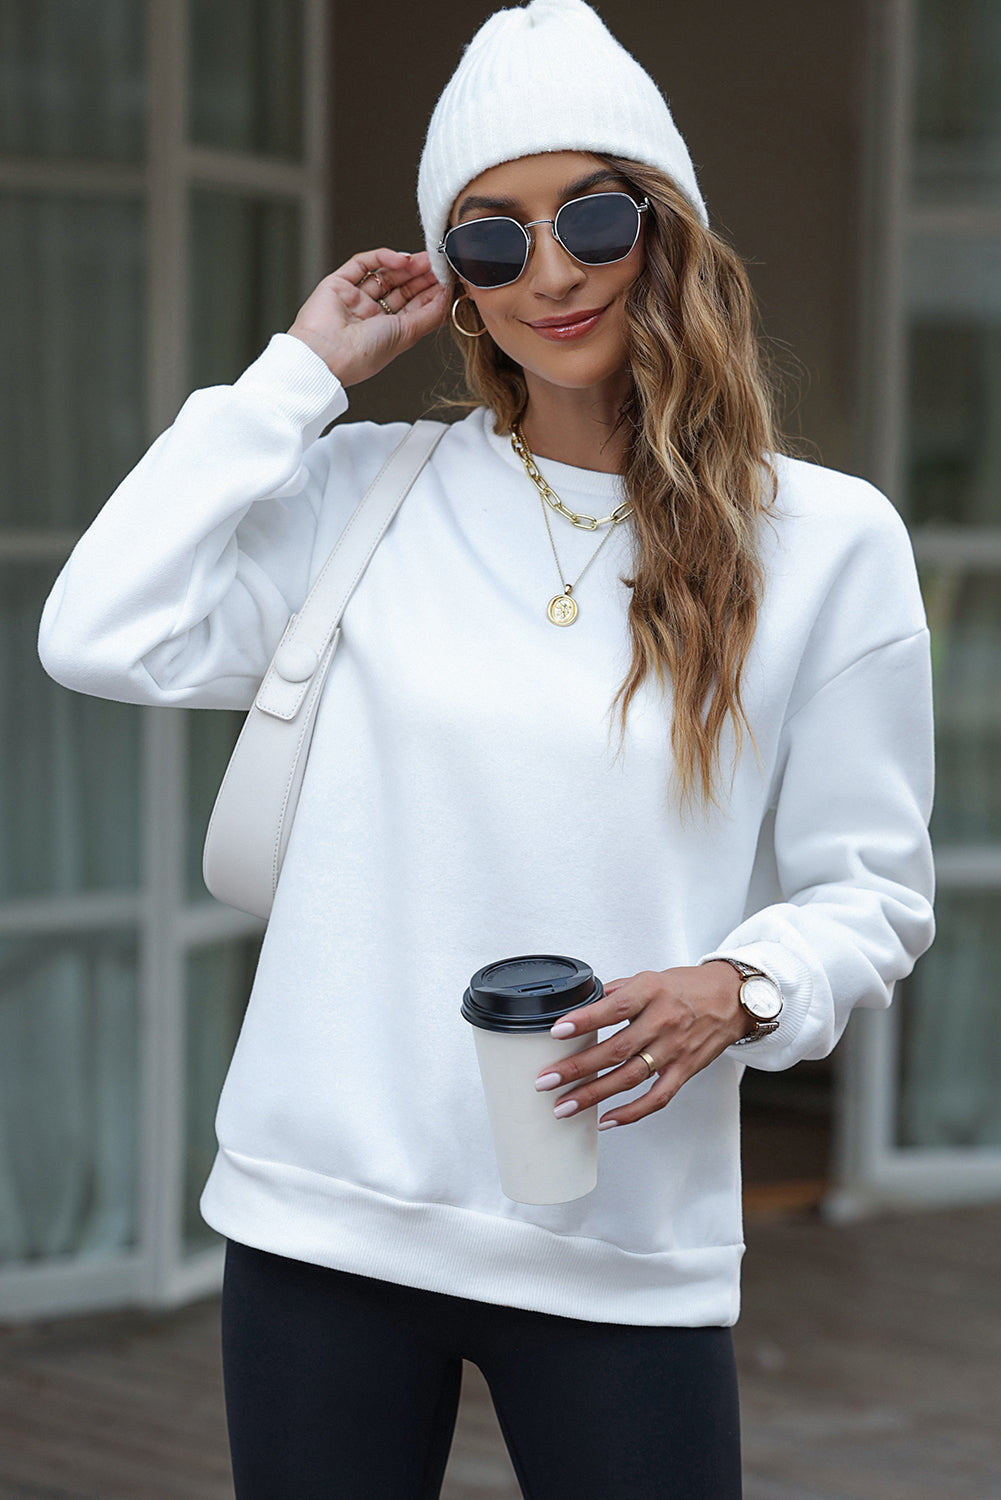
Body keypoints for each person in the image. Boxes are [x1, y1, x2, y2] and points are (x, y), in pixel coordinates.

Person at [37, 1, 935, 1495]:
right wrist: (298, 376)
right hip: (323, 1215)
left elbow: (874, 889)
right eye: (492, 237)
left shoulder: (827, 541)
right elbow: (96, 629)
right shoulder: (362, 493)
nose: (555, 271)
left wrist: (740, 986)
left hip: (617, 1234)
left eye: (590, 213)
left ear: (666, 228)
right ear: (452, 278)